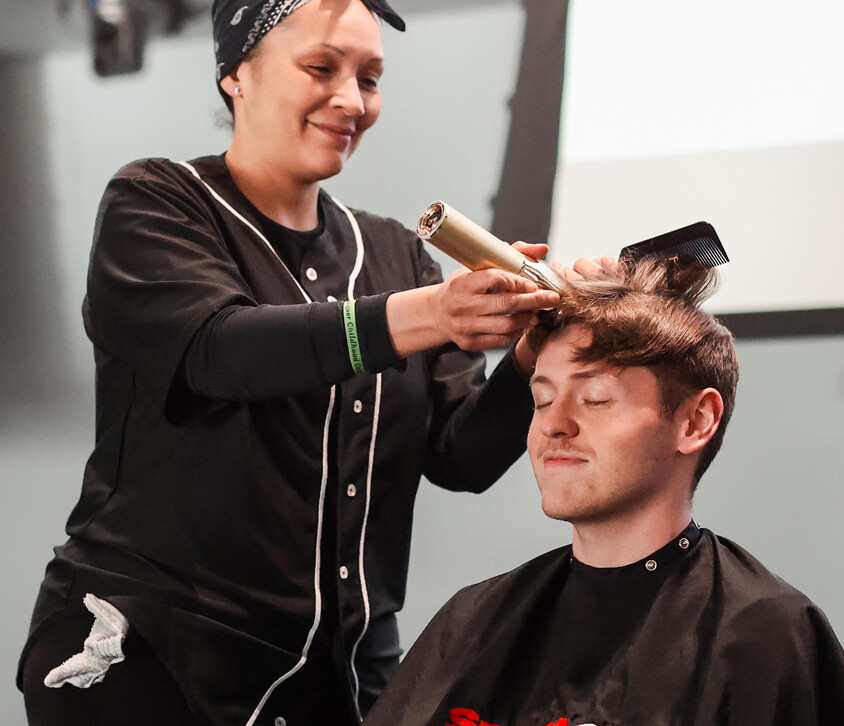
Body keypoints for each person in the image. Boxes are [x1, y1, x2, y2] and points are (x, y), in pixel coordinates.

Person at [17, 1, 578, 724]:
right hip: (156, 657)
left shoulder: (394, 254)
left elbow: (460, 455)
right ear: (236, 74)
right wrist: (434, 312)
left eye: (370, 78)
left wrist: (532, 344)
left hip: (340, 677)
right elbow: (220, 350)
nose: (351, 100)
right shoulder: (157, 204)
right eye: (321, 68)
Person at [361, 257, 844, 726]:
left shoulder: (762, 637)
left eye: (595, 398)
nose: (554, 425)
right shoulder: (472, 622)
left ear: (696, 421)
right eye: (541, 401)